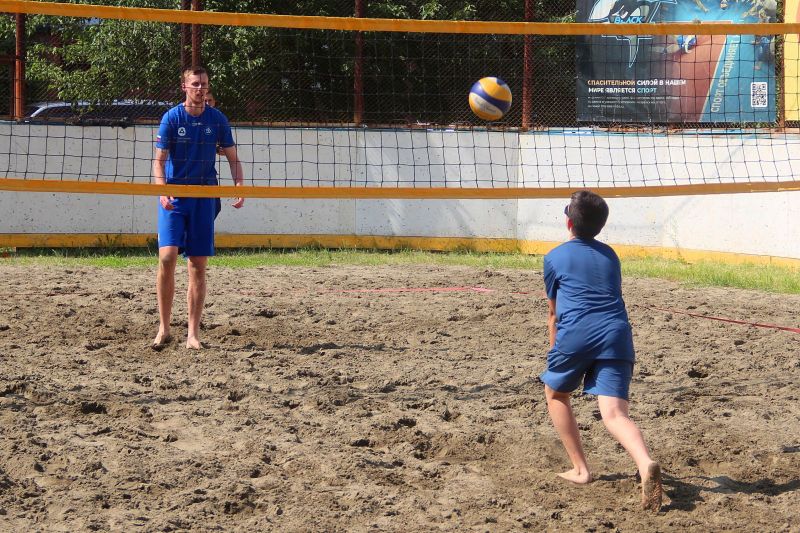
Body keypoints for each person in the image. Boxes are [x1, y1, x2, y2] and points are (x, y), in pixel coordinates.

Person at [540, 190, 662, 512]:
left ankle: (580, 469)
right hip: (617, 334)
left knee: (556, 393)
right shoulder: (611, 255)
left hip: (577, 333)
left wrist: (555, 351)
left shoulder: (554, 257)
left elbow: (554, 314)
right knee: (615, 414)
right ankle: (645, 463)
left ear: (568, 222)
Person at [152, 66, 244, 350]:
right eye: (195, 84)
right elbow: (158, 161)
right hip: (175, 196)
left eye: (204, 84)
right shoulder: (171, 117)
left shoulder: (217, 119)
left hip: (204, 196)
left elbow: (233, 158)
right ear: (184, 87)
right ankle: (164, 328)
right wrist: (162, 189)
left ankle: (192, 334)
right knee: (167, 257)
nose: (200, 88)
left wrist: (239, 186)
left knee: (197, 265)